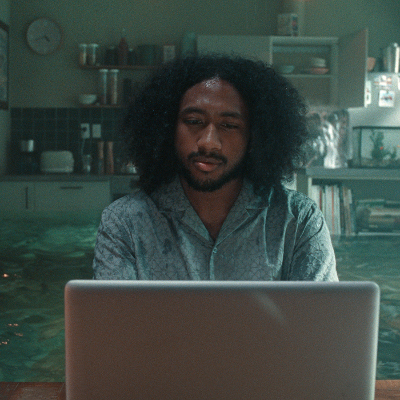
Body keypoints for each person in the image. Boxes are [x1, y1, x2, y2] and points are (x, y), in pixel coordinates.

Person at [93, 54, 338, 281]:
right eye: (194, 121)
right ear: (167, 128)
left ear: (255, 136)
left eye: (229, 125)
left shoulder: (298, 220)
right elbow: (111, 314)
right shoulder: (124, 222)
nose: (208, 142)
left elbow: (322, 313)